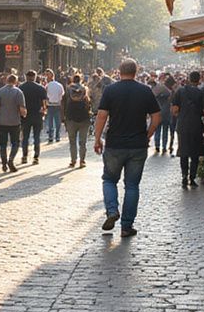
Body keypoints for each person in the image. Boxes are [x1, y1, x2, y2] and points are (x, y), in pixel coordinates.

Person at [92, 59, 161, 238]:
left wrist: (97, 138)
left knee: (109, 180)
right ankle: (126, 226)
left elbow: (101, 116)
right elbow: (156, 117)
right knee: (132, 186)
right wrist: (148, 134)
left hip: (115, 144)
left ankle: (112, 210)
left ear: (119, 72)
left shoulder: (111, 90)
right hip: (137, 145)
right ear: (136, 72)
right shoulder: (145, 91)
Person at [171, 70, 204, 188]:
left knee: (183, 152)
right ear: (199, 80)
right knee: (195, 153)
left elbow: (175, 110)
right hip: (196, 126)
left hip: (182, 126)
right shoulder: (200, 93)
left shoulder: (180, 91)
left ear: (188, 78)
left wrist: (182, 115)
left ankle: (184, 176)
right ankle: (192, 178)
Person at [0, 73, 27, 173]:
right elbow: (22, 109)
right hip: (15, 122)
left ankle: (4, 163)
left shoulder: (0, 92)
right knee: (15, 143)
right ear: (15, 81)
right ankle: (11, 159)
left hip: (2, 121)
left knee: (3, 144)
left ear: (7, 81)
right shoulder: (18, 92)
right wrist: (24, 114)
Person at [63, 74, 92, 169]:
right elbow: (89, 102)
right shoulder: (85, 89)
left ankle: (73, 160)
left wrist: (64, 117)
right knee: (82, 142)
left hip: (71, 117)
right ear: (81, 80)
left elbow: (63, 103)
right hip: (84, 118)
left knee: (72, 141)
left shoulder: (68, 89)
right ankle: (82, 161)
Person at [18, 70, 48, 165]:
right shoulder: (40, 88)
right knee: (36, 137)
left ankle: (24, 156)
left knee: (25, 137)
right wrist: (44, 111)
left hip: (25, 115)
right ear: (35, 77)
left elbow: (18, 102)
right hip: (37, 115)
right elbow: (44, 103)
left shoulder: (21, 87)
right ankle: (36, 157)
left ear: (26, 77)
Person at [152, 74, 174, 155]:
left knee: (157, 130)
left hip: (158, 114)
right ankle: (164, 147)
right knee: (165, 131)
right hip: (166, 114)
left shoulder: (156, 95)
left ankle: (157, 146)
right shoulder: (169, 94)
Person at [44, 70, 66, 144]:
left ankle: (50, 137)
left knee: (50, 122)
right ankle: (57, 136)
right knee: (57, 121)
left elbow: (45, 96)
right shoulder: (59, 85)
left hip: (50, 105)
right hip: (57, 104)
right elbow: (62, 94)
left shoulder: (47, 86)